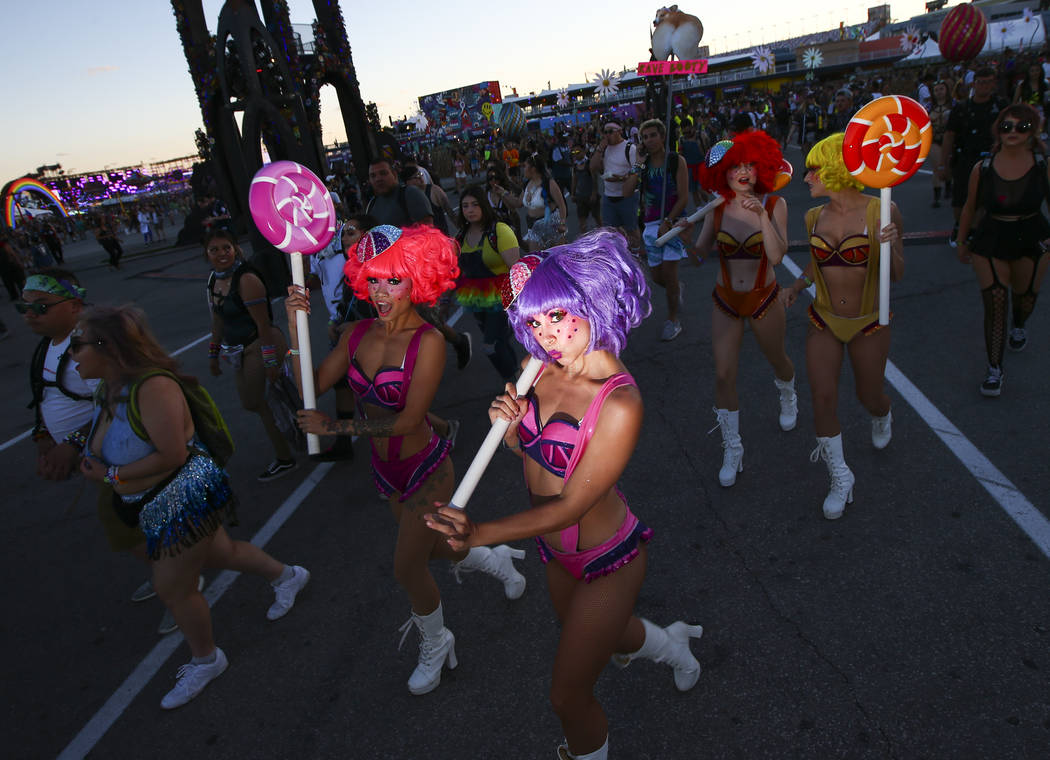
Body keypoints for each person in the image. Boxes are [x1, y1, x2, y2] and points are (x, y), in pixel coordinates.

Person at [426, 233, 703, 760]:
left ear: (589, 303)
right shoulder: (540, 369)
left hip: (609, 558)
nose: (546, 334)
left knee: (567, 695)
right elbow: (532, 459)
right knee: (614, 637)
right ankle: (674, 647)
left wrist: (478, 533)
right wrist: (506, 429)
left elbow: (572, 504)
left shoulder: (619, 401)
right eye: (533, 322)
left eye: (556, 317)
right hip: (554, 552)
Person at [285, 224, 526, 696]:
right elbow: (310, 386)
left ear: (417, 278)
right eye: (373, 278)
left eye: (393, 279)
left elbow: (409, 421)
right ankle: (495, 562)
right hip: (384, 471)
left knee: (406, 568)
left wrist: (335, 429)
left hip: (427, 472)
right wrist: (296, 329)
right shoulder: (355, 334)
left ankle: (438, 643)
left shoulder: (429, 342)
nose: (381, 291)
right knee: (440, 549)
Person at [75, 305, 309, 709]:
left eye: (77, 345)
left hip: (183, 496)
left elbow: (171, 456)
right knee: (223, 552)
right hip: (150, 498)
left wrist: (111, 477)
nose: (71, 354)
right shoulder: (108, 388)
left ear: (107, 347)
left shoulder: (152, 388)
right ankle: (288, 576)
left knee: (173, 587)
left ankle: (206, 659)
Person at [779, 134, 903, 520]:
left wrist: (890, 244)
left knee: (870, 395)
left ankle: (882, 414)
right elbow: (819, 267)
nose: (806, 179)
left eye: (813, 170)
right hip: (824, 318)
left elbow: (896, 274)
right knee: (822, 396)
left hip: (869, 321)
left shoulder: (882, 210)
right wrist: (798, 286)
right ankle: (840, 476)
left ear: (835, 169)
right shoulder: (812, 217)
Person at [692, 131, 797, 487]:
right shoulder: (715, 207)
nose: (742, 172)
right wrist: (677, 233)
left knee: (779, 359)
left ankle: (787, 393)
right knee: (723, 375)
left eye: (749, 165)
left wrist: (762, 217)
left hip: (764, 297)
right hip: (725, 301)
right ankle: (732, 448)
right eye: (735, 166)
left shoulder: (774, 204)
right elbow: (699, 255)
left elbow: (778, 256)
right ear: (723, 171)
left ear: (760, 168)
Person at [956, 103, 1050, 396]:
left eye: (1021, 127)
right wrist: (962, 241)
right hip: (992, 237)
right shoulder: (982, 168)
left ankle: (1019, 324)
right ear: (999, 130)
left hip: (1032, 235)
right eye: (1007, 126)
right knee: (995, 302)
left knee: (1025, 297)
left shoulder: (1043, 165)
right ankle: (994, 369)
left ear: (1032, 131)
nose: (1013, 132)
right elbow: (971, 208)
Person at [204, 229, 296, 481]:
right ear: (207, 254)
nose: (221, 254)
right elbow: (218, 320)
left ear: (236, 249)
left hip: (260, 343)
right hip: (239, 350)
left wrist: (269, 361)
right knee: (254, 402)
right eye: (214, 249)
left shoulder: (246, 279)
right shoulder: (213, 280)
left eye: (226, 248)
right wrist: (213, 353)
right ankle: (295, 425)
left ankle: (285, 456)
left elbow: (263, 325)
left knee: (256, 400)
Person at [368, 157, 473, 371]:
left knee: (426, 320)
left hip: (417, 272)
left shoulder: (409, 195)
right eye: (373, 176)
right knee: (399, 322)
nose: (378, 179)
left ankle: (458, 341)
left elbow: (427, 232)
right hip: (389, 277)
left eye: (383, 173)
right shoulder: (372, 205)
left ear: (394, 174)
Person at [625, 118, 691, 341]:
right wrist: (638, 163)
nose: (649, 140)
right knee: (658, 277)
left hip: (673, 225)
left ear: (662, 137)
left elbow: (683, 197)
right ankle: (676, 289)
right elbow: (626, 191)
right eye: (645, 137)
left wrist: (669, 221)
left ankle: (673, 320)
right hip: (650, 225)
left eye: (653, 135)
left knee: (670, 275)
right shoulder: (642, 166)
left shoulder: (676, 161)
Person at [454, 186, 521, 383]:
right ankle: (517, 378)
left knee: (490, 346)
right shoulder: (460, 237)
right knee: (500, 343)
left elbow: (517, 271)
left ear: (484, 205)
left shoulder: (499, 231)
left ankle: (513, 384)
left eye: (475, 204)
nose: (470, 210)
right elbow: (456, 271)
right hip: (476, 300)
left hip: (501, 300)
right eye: (465, 206)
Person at [940, 68, 1009, 245]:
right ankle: (960, 227)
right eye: (981, 82)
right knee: (960, 199)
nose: (984, 86)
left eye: (989, 82)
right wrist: (943, 165)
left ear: (994, 84)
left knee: (988, 198)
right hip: (965, 159)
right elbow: (949, 136)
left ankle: (977, 230)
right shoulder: (962, 108)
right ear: (974, 84)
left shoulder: (1002, 106)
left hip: (993, 159)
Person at [590, 117, 642, 252]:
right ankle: (622, 253)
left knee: (631, 228)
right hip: (609, 195)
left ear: (619, 131)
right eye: (605, 132)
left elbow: (636, 171)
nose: (607, 135)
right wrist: (600, 149)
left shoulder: (630, 148)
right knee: (611, 232)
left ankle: (638, 252)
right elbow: (593, 167)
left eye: (610, 131)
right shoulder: (605, 149)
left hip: (627, 196)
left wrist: (621, 178)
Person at [520, 154, 568, 251]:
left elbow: (562, 205)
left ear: (533, 169)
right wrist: (503, 193)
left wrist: (562, 223)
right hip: (534, 227)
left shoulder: (549, 183)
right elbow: (518, 202)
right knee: (536, 260)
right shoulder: (526, 184)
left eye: (525, 166)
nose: (523, 169)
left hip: (551, 225)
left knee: (555, 259)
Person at [929, 81, 954, 209]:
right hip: (935, 140)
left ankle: (949, 185)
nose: (939, 92)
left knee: (948, 165)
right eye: (936, 90)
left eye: (941, 89)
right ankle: (936, 197)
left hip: (949, 139)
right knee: (937, 168)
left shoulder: (953, 105)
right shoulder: (928, 107)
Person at [570, 142, 602, 233]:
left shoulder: (589, 164)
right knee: (582, 222)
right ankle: (584, 241)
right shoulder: (575, 166)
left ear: (584, 151)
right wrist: (572, 194)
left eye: (578, 152)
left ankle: (603, 238)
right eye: (574, 152)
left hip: (590, 196)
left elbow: (595, 179)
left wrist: (594, 194)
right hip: (580, 197)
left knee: (597, 219)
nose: (576, 154)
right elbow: (574, 180)